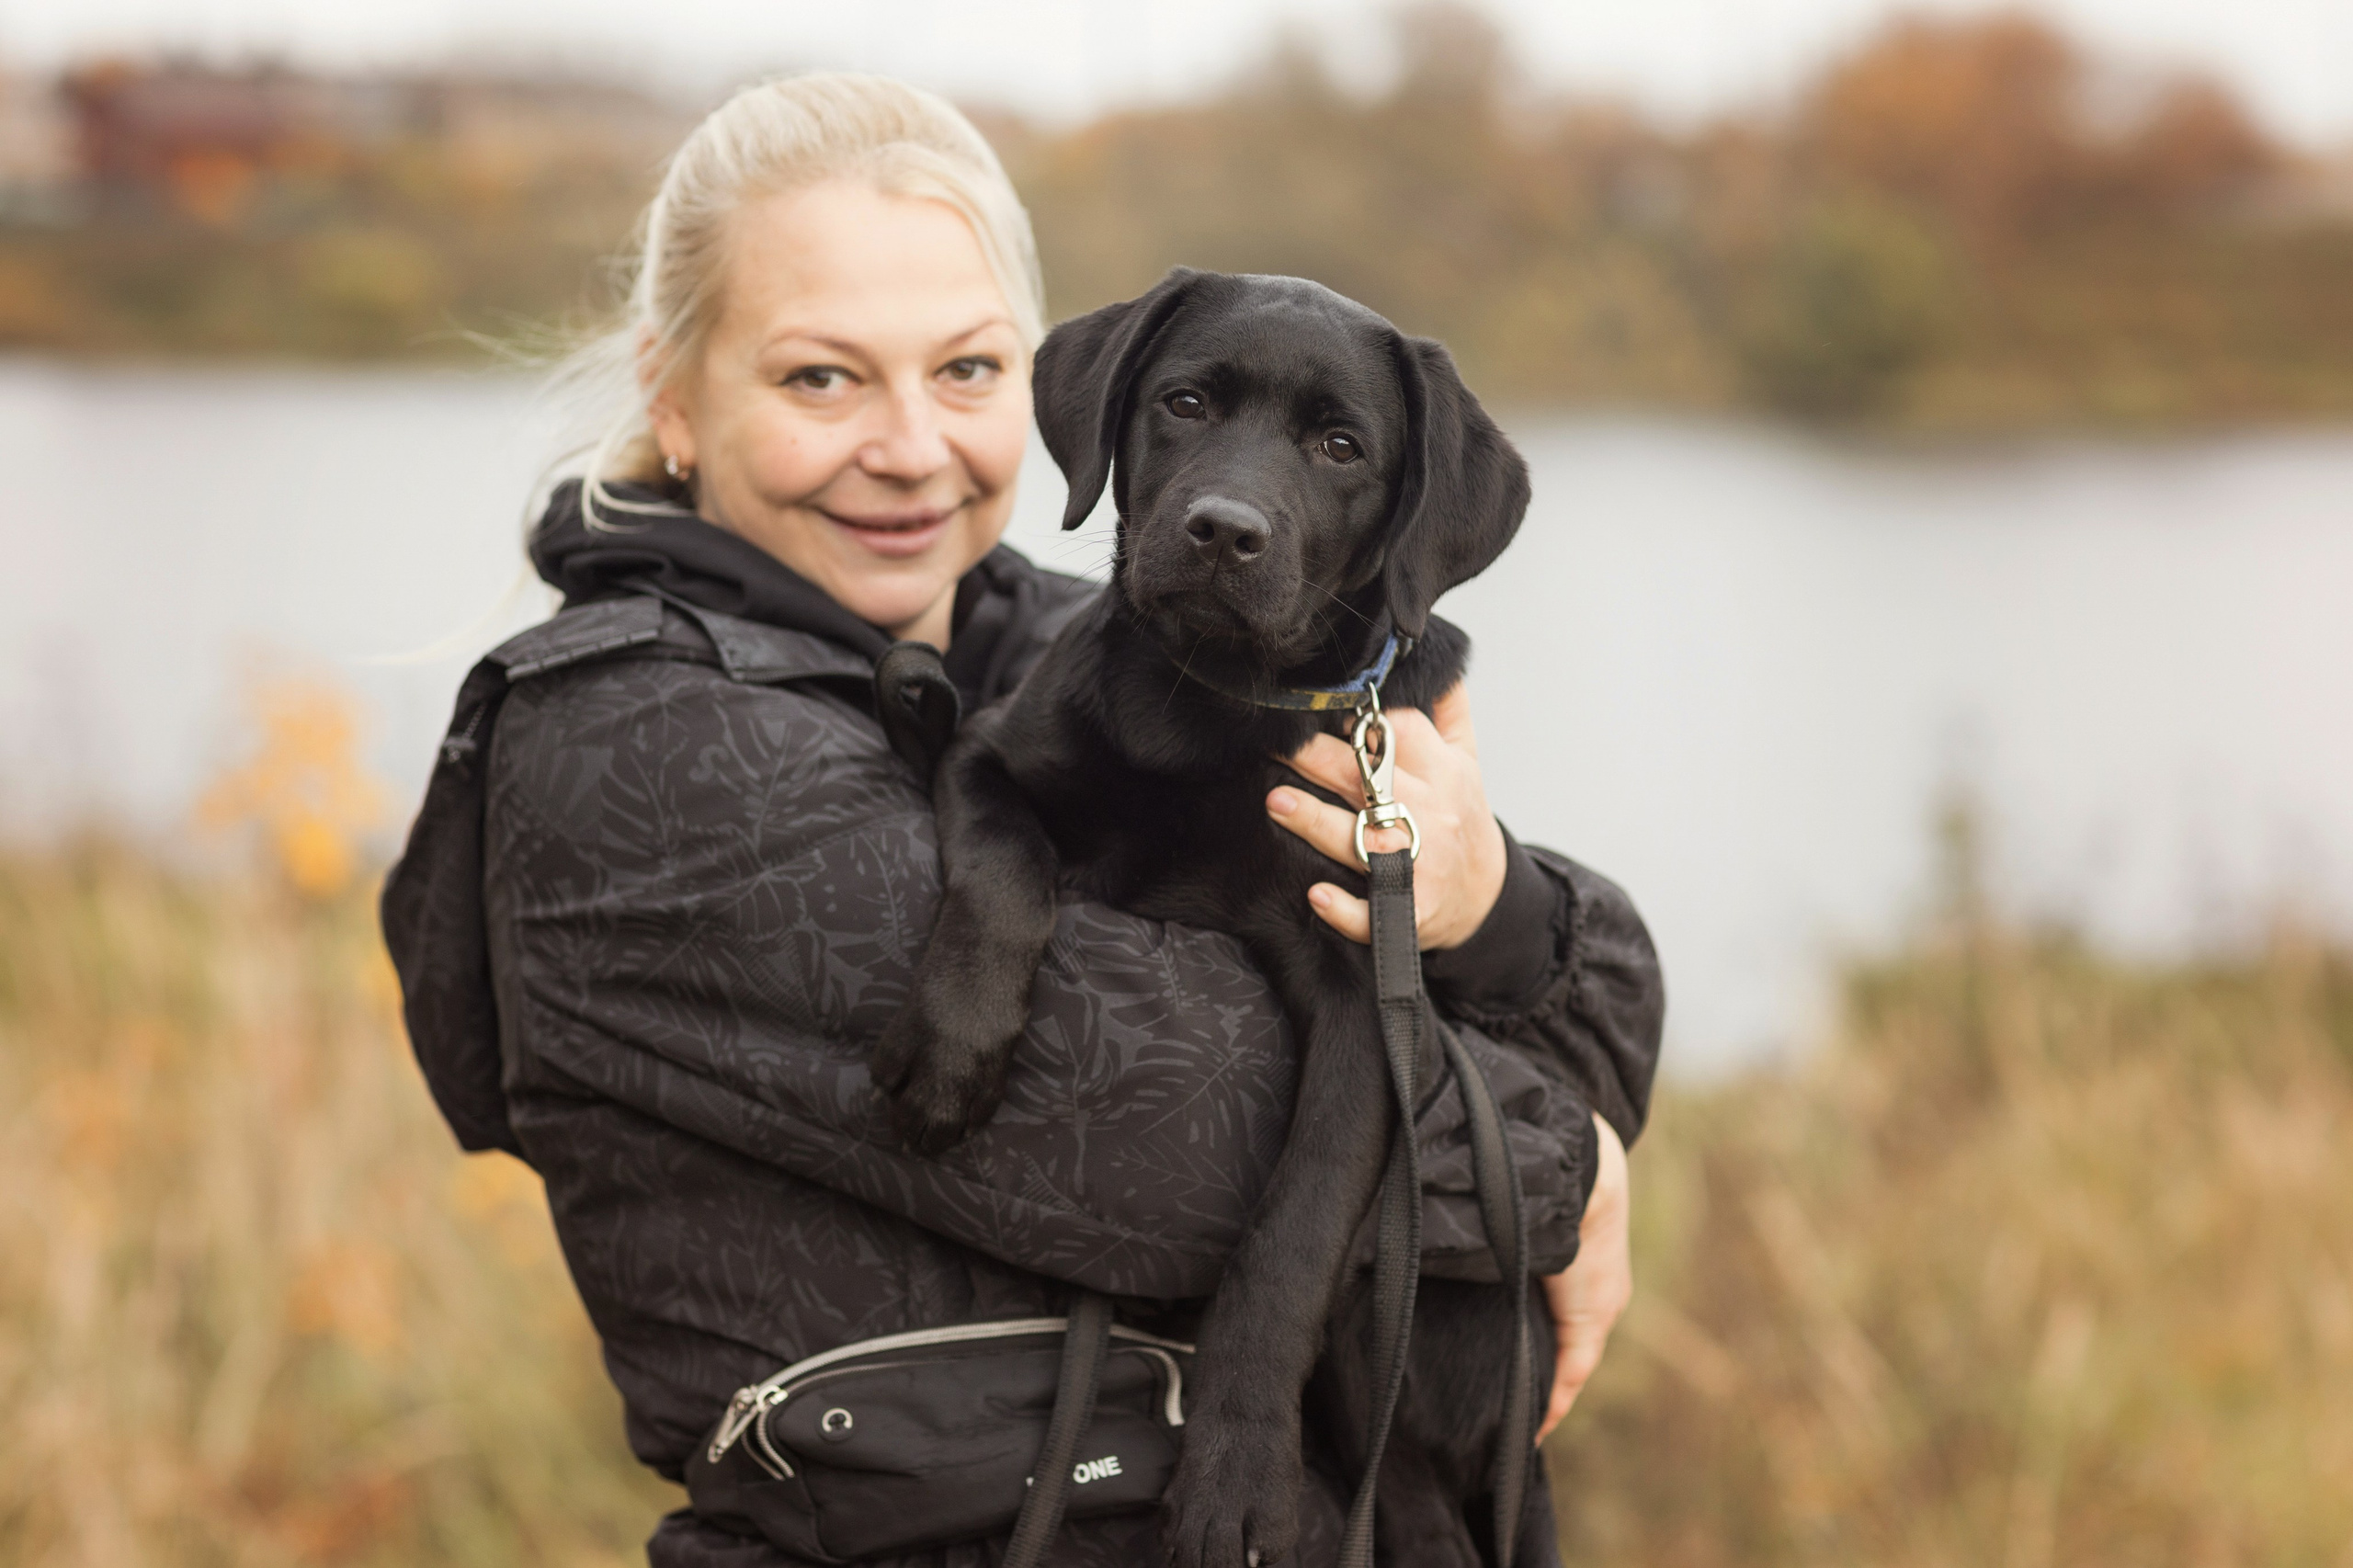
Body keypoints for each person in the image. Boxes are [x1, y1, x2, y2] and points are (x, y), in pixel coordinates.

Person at [383, 72, 1662, 1568]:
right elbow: (1178, 1119)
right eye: (820, 379)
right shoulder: (622, 749)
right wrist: (1565, 1169)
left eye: (969, 370)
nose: (912, 445)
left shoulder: (1126, 648)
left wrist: (1490, 896)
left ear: (1042, 392)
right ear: (673, 394)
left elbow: (1617, 990)